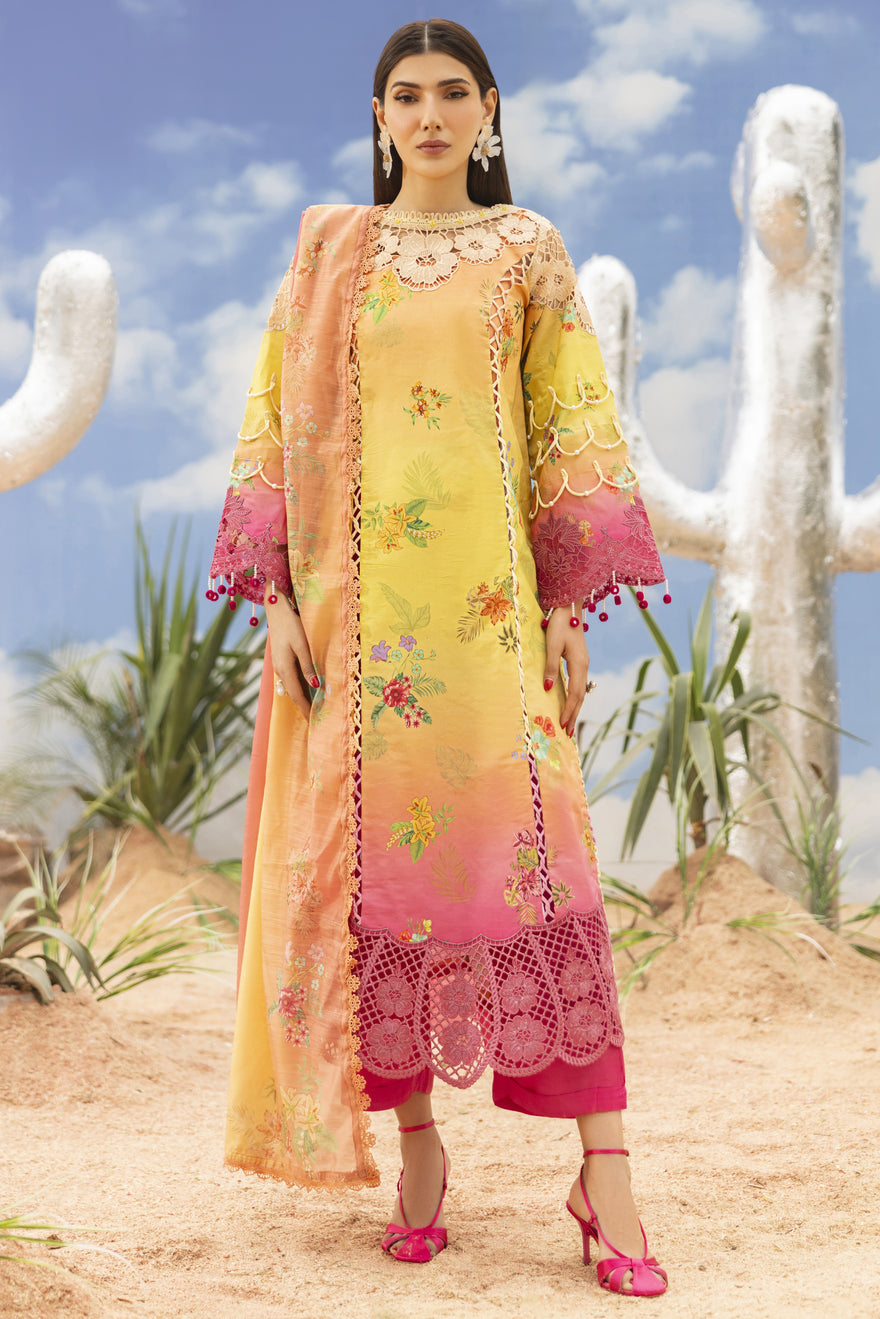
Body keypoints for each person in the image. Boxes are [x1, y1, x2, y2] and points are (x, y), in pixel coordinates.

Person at [207, 17, 667, 1298]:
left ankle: (605, 1171)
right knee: (379, 892)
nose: (427, 115)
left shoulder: (526, 249)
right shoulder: (329, 254)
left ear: (489, 109)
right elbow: (270, 419)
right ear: (378, 117)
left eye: (450, 93)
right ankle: (418, 1151)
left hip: (493, 622)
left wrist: (567, 606)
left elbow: (569, 422)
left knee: (546, 871)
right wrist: (278, 599)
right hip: (357, 637)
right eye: (404, 96)